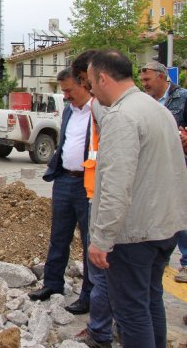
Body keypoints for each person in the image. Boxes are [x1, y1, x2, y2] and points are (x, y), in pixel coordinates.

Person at [87, 50, 187, 347]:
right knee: (151, 300)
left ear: (103, 78)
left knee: (131, 312)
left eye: (92, 83)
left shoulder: (121, 116)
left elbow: (116, 186)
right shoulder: (158, 110)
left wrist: (102, 238)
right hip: (164, 228)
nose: (91, 91)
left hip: (133, 235)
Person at [28, 67, 93, 316]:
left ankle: (89, 295)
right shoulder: (69, 111)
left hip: (88, 183)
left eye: (68, 90)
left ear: (84, 84)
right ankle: (53, 284)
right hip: (65, 180)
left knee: (89, 241)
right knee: (59, 236)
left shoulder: (99, 111)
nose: (65, 95)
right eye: (63, 91)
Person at [70, 50, 114, 348]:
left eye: (86, 82)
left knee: (104, 275)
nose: (88, 89)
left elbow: (117, 172)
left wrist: (105, 234)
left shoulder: (108, 111)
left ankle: (102, 332)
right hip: (93, 192)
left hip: (102, 200)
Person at [139, 60, 187, 286]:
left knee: (180, 214)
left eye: (147, 79)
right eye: (142, 80)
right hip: (155, 165)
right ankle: (160, 257)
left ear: (162, 76)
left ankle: (186, 262)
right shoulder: (144, 102)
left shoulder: (182, 98)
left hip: (179, 164)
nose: (144, 84)